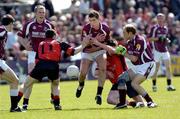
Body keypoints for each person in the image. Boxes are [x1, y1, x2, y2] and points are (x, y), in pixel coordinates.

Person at [92, 24, 157, 109]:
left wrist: (123, 52)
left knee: (134, 84)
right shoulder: (129, 42)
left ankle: (150, 102)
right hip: (139, 66)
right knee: (121, 78)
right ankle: (122, 103)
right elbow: (118, 51)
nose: (123, 35)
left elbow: (134, 59)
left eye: (124, 33)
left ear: (130, 33)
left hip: (148, 65)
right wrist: (122, 51)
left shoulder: (139, 40)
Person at [21, 29, 89, 110]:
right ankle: (57, 105)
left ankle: (19, 104)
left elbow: (37, 58)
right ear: (54, 36)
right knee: (55, 84)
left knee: (26, 84)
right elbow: (73, 52)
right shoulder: (59, 43)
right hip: (53, 66)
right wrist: (83, 45)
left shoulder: (41, 44)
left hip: (41, 65)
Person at [17, 4, 55, 108]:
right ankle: (25, 103)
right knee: (31, 78)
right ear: (35, 13)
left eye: (43, 12)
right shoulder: (29, 24)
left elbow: (55, 39)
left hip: (47, 55)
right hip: (33, 53)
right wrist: (25, 45)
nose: (42, 14)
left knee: (53, 79)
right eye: (40, 12)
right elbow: (20, 36)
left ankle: (53, 97)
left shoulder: (49, 25)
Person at [75, 9, 110, 105]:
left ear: (99, 19)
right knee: (83, 73)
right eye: (90, 21)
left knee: (103, 69)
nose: (91, 23)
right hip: (87, 52)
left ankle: (99, 94)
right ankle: (81, 85)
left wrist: (96, 44)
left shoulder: (105, 28)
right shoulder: (86, 28)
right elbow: (84, 44)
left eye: (93, 20)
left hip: (99, 50)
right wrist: (95, 40)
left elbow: (107, 42)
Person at [105, 37, 144, 108]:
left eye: (115, 47)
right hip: (118, 82)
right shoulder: (105, 57)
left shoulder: (118, 53)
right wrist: (106, 72)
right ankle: (130, 104)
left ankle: (147, 102)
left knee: (140, 102)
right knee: (110, 99)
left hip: (126, 79)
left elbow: (120, 49)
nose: (114, 49)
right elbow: (97, 73)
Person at [147, 13, 176, 92]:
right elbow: (149, 39)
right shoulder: (154, 28)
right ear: (157, 19)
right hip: (156, 51)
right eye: (159, 18)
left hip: (165, 50)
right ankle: (154, 85)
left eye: (161, 18)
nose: (160, 19)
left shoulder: (166, 28)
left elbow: (166, 38)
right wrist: (158, 38)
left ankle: (169, 85)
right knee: (156, 69)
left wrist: (167, 40)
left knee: (168, 68)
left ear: (164, 19)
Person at [0, 14, 22, 112]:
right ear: (10, 23)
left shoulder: (3, 31)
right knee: (15, 81)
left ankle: (14, 107)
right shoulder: (2, 30)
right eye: (12, 24)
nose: (13, 27)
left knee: (14, 81)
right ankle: (14, 107)